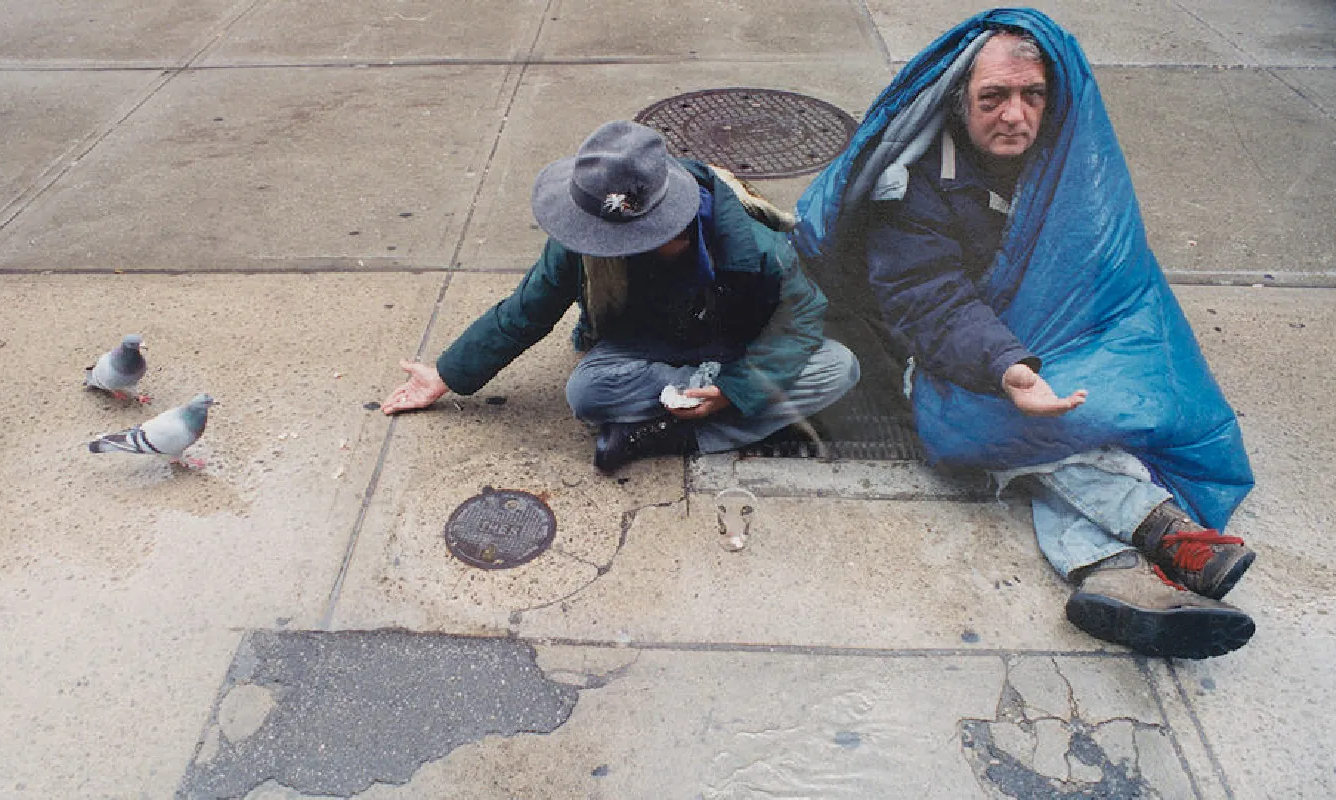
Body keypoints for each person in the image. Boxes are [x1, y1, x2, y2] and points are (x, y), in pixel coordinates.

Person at [794, 10, 1256, 659]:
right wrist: (1008, 366)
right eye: (994, 97)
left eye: (1031, 95)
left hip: (1036, 341)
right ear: (960, 101)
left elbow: (1109, 268)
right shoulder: (912, 182)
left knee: (1103, 399)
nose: (1016, 114)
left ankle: (1118, 576)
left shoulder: (1066, 158)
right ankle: (1160, 524)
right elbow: (930, 303)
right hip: (938, 359)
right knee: (1029, 416)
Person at [382, 120, 859, 474]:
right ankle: (704, 415)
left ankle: (665, 435)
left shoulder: (757, 248)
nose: (592, 244)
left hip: (735, 348)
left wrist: (733, 391)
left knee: (840, 367)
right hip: (645, 348)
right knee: (586, 392)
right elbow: (528, 307)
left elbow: (801, 319)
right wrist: (447, 374)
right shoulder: (584, 237)